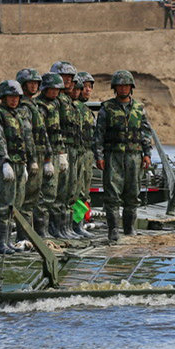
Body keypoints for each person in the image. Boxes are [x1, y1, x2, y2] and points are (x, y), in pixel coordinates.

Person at [93, 70, 153, 242]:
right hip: (113, 156)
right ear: (115, 88)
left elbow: (145, 133)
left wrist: (147, 154)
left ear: (131, 87)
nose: (123, 89)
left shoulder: (139, 108)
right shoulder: (107, 108)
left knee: (133, 193)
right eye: (120, 86)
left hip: (134, 156)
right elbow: (99, 134)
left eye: (126, 85)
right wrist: (99, 156)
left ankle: (130, 228)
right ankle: (113, 230)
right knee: (112, 194)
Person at [0, 80, 35, 254]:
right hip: (4, 166)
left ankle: (8, 242)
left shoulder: (18, 116)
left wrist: (27, 164)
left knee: (16, 205)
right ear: (3, 97)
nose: (14, 100)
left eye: (16, 97)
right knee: (3, 205)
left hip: (20, 165)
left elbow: (25, 141)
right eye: (10, 97)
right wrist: (4, 162)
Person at [16, 69, 54, 240]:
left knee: (36, 196)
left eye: (36, 83)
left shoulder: (35, 106)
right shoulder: (23, 106)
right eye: (30, 83)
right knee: (27, 200)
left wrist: (48, 157)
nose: (33, 86)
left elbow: (42, 133)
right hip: (29, 157)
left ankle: (36, 235)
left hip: (39, 155)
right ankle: (24, 237)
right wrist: (30, 161)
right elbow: (26, 135)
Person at [50, 61, 81, 239]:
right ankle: (56, 229)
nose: (67, 81)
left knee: (70, 192)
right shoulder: (54, 101)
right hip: (57, 150)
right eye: (64, 77)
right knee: (57, 192)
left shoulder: (68, 100)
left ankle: (66, 228)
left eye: (70, 77)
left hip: (72, 150)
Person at [36, 73, 66, 239]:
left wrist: (62, 153)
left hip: (56, 152)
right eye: (52, 89)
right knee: (45, 194)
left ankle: (55, 229)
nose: (55, 92)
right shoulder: (40, 106)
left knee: (54, 193)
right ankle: (42, 231)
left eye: (57, 89)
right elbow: (42, 133)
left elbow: (58, 131)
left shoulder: (55, 104)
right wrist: (47, 159)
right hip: (44, 154)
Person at [73, 71, 96, 238]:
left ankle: (78, 224)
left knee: (83, 192)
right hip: (75, 155)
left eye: (90, 87)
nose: (88, 90)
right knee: (73, 192)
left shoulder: (87, 110)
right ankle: (73, 225)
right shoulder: (73, 108)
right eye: (85, 87)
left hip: (87, 156)